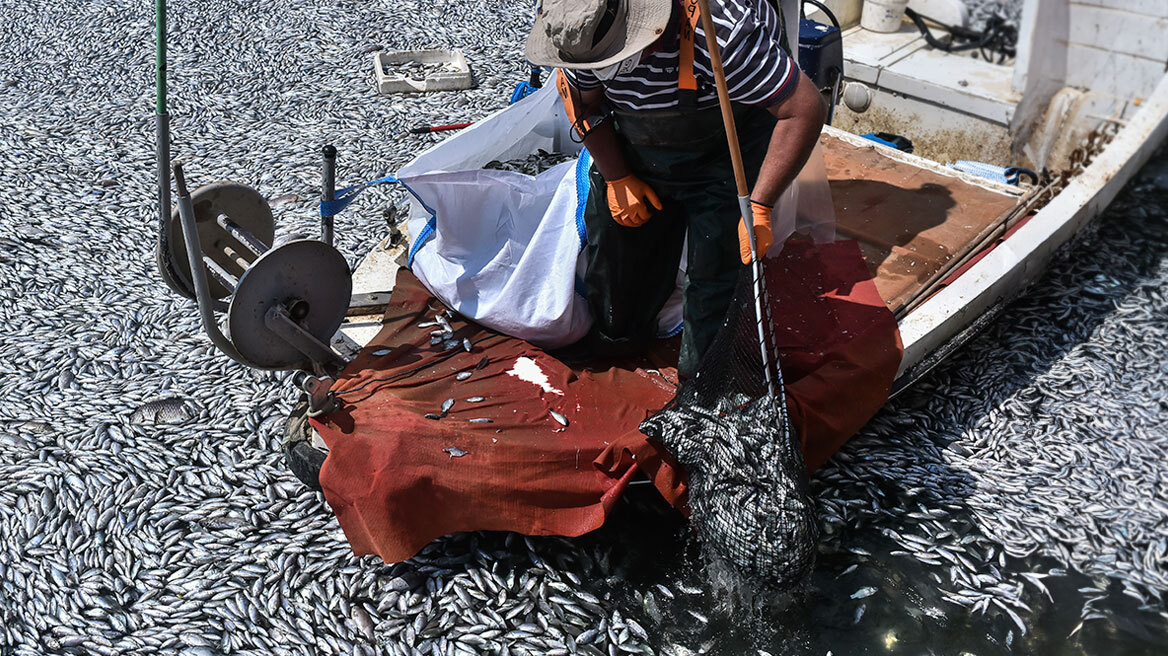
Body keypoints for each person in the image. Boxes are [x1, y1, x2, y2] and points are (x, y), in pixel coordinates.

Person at [526, 0, 825, 378]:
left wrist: (761, 204)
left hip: (724, 149)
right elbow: (583, 104)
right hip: (638, 145)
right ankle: (618, 337)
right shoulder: (575, 33)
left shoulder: (722, 33)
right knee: (617, 257)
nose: (604, 73)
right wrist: (617, 177)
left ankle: (704, 379)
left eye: (613, 63)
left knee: (717, 268)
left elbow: (802, 109)